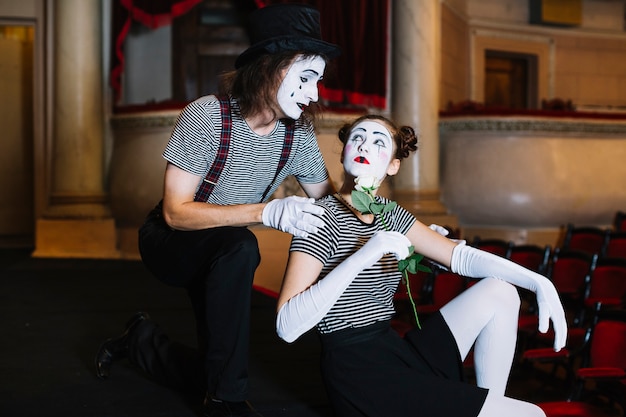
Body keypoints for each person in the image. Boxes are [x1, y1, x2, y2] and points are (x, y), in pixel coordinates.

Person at [94, 4, 340, 417]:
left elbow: (329, 203)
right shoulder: (208, 115)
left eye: (318, 80)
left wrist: (397, 226)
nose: (315, 93)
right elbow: (175, 213)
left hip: (225, 250)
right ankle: (226, 402)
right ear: (269, 69)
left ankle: (140, 340)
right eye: (306, 77)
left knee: (215, 363)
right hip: (170, 241)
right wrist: (265, 211)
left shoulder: (297, 134)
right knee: (241, 246)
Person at [275, 114, 567, 417]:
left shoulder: (389, 214)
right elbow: (286, 326)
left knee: (501, 291)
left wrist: (537, 281)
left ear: (392, 165)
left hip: (394, 349)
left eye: (378, 142)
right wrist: (366, 253)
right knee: (532, 414)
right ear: (345, 149)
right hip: (358, 369)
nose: (364, 144)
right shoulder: (320, 217)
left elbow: (461, 257)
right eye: (357, 137)